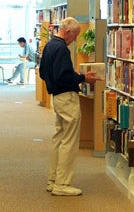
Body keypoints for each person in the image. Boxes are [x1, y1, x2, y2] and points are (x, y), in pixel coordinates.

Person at [39, 17, 100, 196]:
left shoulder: (50, 45)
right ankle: (63, 183)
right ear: (67, 31)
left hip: (56, 97)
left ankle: (53, 180)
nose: (75, 40)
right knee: (69, 141)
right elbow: (63, 77)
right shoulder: (61, 49)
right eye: (74, 36)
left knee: (59, 138)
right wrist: (83, 78)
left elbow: (44, 72)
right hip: (67, 97)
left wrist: (65, 78)